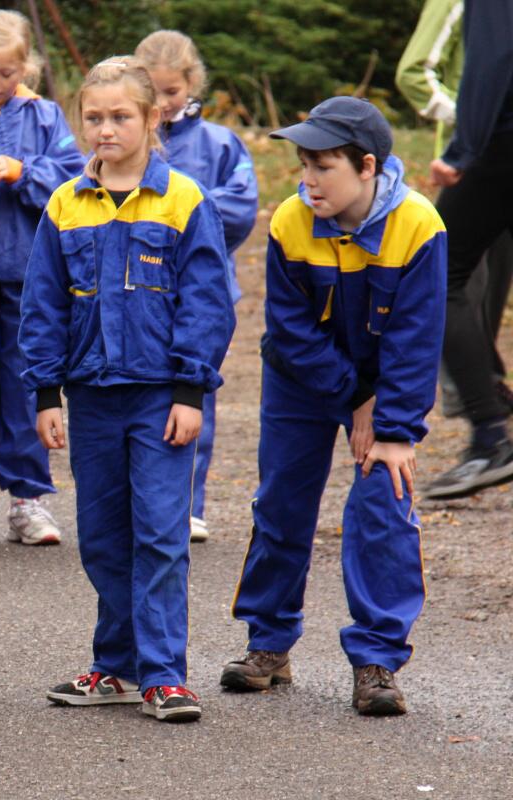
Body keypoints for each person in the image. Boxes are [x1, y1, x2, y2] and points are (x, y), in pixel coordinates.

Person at [22, 58, 234, 723]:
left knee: (161, 534)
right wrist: (45, 394)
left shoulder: (184, 200)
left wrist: (191, 392)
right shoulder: (65, 203)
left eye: (120, 116)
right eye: (94, 117)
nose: (105, 129)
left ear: (153, 117)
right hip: (90, 398)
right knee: (104, 536)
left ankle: (164, 674)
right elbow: (43, 305)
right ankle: (115, 665)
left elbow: (207, 303)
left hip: (160, 399)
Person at [221, 97, 445, 716]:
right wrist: (355, 398)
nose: (308, 180)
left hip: (387, 381)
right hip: (302, 378)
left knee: (382, 503)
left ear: (367, 166)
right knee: (282, 502)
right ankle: (268, 643)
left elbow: (417, 338)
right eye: (304, 165)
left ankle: (376, 660)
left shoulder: (419, 225)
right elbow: (290, 332)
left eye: (323, 166)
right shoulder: (291, 220)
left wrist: (392, 426)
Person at [0, 10, 84, 548]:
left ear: (26, 67)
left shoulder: (44, 115)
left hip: (32, 277)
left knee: (29, 386)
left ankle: (29, 498)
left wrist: (23, 173)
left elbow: (72, 181)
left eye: (7, 72)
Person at [136, 30, 258, 543]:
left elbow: (243, 208)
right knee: (138, 397)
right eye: (155, 92)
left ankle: (188, 504)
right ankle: (143, 504)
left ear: (192, 84)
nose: (165, 103)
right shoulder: (130, 138)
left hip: (203, 293)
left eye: (172, 91)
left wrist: (177, 212)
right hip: (139, 292)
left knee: (193, 397)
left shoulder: (220, 143)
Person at [421, 1, 513, 499]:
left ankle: (490, 436)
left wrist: (463, 150)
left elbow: (495, 57)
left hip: (501, 146)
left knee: (436, 270)